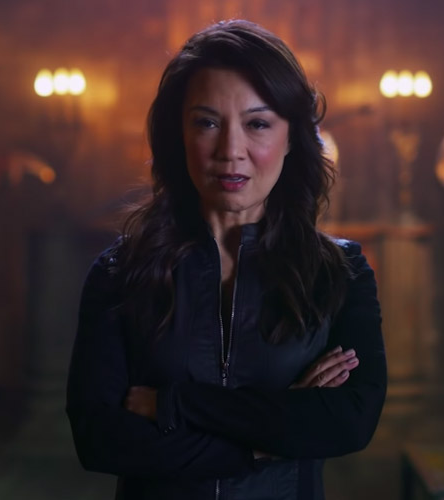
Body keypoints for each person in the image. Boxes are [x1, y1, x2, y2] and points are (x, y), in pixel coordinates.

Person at [66, 19, 387, 500]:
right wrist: (268, 438)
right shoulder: (121, 274)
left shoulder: (339, 272)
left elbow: (350, 422)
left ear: (293, 137)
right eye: (207, 123)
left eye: (257, 124)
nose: (231, 151)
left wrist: (175, 403)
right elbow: (100, 440)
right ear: (179, 134)